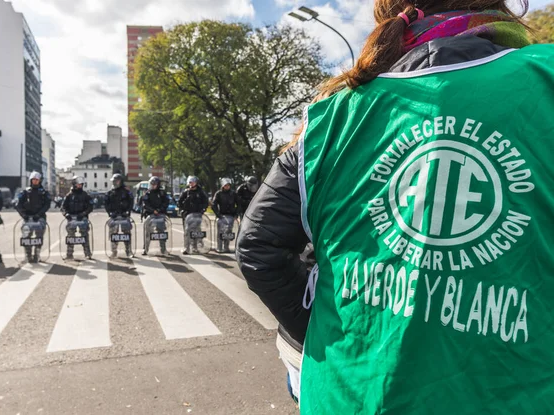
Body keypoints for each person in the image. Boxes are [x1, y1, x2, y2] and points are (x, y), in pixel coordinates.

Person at [237, 1, 554, 413]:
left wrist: (344, 333)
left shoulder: (332, 115)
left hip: (350, 395)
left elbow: (258, 248)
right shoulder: (543, 78)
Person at [16, 171, 51, 263]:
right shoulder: (25, 192)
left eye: (37, 180)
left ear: (40, 181)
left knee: (39, 237)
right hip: (27, 218)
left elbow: (47, 205)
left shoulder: (44, 193)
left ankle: (37, 255)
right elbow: (18, 205)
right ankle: (28, 255)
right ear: (31, 180)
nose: (35, 181)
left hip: (40, 217)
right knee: (26, 236)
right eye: (33, 179)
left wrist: (39, 215)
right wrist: (23, 215)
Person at [62, 176, 93, 260]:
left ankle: (87, 253)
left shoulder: (85, 195)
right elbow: (63, 207)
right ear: (74, 184)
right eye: (78, 184)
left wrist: (83, 214)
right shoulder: (69, 195)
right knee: (70, 237)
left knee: (85, 236)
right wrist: (66, 214)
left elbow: (90, 207)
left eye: (81, 184)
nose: (80, 186)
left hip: (82, 218)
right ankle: (69, 254)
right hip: (71, 219)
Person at [177, 176, 209, 255]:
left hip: (197, 214)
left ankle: (195, 247)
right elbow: (179, 202)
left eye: (193, 182)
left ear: (196, 183)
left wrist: (203, 209)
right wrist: (183, 207)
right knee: (187, 231)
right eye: (190, 182)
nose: (191, 184)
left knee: (196, 231)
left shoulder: (200, 192)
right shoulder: (186, 192)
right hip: (187, 215)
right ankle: (186, 248)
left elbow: (205, 202)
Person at [104, 174, 134, 258]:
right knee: (113, 234)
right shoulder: (110, 192)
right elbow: (106, 204)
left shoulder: (127, 192)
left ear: (121, 181)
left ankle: (128, 251)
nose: (114, 182)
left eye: (116, 181)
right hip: (114, 217)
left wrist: (127, 212)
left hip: (124, 216)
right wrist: (110, 212)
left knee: (127, 234)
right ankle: (114, 251)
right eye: (114, 181)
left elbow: (131, 203)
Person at [140, 176, 169, 255]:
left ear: (158, 184)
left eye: (154, 184)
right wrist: (153, 210)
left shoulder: (162, 193)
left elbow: (166, 202)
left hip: (160, 214)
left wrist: (159, 210)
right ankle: (146, 249)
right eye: (151, 184)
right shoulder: (148, 193)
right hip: (150, 214)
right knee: (148, 232)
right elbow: (145, 204)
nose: (153, 185)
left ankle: (163, 249)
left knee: (161, 232)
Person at [212, 178, 238, 253]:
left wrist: (236, 213)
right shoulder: (218, 193)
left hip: (231, 216)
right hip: (221, 215)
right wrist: (218, 214)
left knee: (228, 231)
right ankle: (219, 247)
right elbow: (214, 204)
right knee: (220, 231)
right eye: (225, 185)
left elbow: (239, 204)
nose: (227, 186)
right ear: (223, 185)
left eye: (228, 185)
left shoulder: (233, 194)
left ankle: (226, 247)